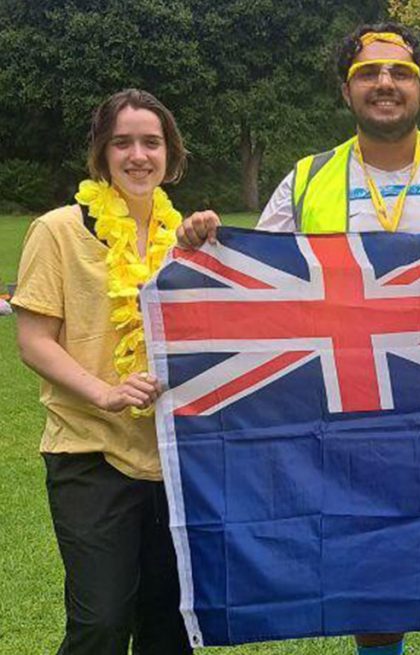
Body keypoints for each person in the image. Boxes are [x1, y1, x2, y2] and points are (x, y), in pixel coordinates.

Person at [175, 22, 420, 655]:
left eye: (401, 73)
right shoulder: (307, 179)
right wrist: (205, 245)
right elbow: (256, 278)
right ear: (345, 89)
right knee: (373, 565)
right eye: (368, 74)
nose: (385, 84)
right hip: (356, 407)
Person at [12, 89, 192, 654]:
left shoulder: (181, 239)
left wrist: (210, 247)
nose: (138, 155)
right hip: (88, 453)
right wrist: (106, 393)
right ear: (101, 153)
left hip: (172, 458)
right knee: (101, 624)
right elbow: (34, 342)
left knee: (171, 629)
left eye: (151, 142)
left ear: (170, 153)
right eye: (123, 142)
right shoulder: (58, 230)